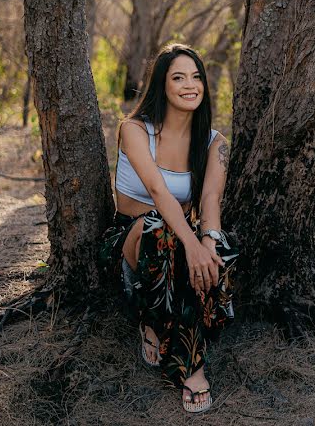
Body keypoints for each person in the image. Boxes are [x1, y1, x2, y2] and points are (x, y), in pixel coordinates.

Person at [99, 43, 236, 413]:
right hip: (134, 238)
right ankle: (192, 367)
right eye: (178, 77)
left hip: (183, 235)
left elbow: (210, 201)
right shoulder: (134, 129)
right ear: (162, 85)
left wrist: (206, 241)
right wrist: (192, 245)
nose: (189, 85)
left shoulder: (215, 143)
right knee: (162, 229)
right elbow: (159, 193)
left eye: (196, 77)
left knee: (223, 248)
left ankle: (159, 321)